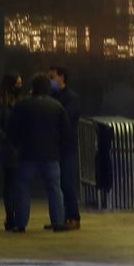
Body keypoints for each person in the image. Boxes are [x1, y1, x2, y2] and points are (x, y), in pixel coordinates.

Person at [5, 74, 70, 233]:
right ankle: (58, 222)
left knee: (23, 189)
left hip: (27, 154)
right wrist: (59, 149)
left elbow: (12, 129)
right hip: (50, 155)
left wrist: (16, 145)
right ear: (48, 88)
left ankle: (20, 224)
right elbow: (66, 132)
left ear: (32, 88)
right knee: (54, 189)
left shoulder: (22, 105)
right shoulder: (57, 106)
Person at [47, 66, 83, 230]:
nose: (51, 80)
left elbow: (68, 119)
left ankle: (73, 217)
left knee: (67, 183)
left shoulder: (72, 98)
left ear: (62, 77)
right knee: (57, 184)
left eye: (52, 77)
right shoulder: (51, 96)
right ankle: (60, 218)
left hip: (67, 147)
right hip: (54, 147)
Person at [0, 73, 23, 232]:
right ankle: (12, 217)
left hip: (14, 148)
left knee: (13, 185)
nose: (21, 86)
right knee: (11, 185)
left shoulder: (15, 101)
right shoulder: (1, 102)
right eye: (18, 83)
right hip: (9, 150)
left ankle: (13, 217)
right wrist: (5, 138)